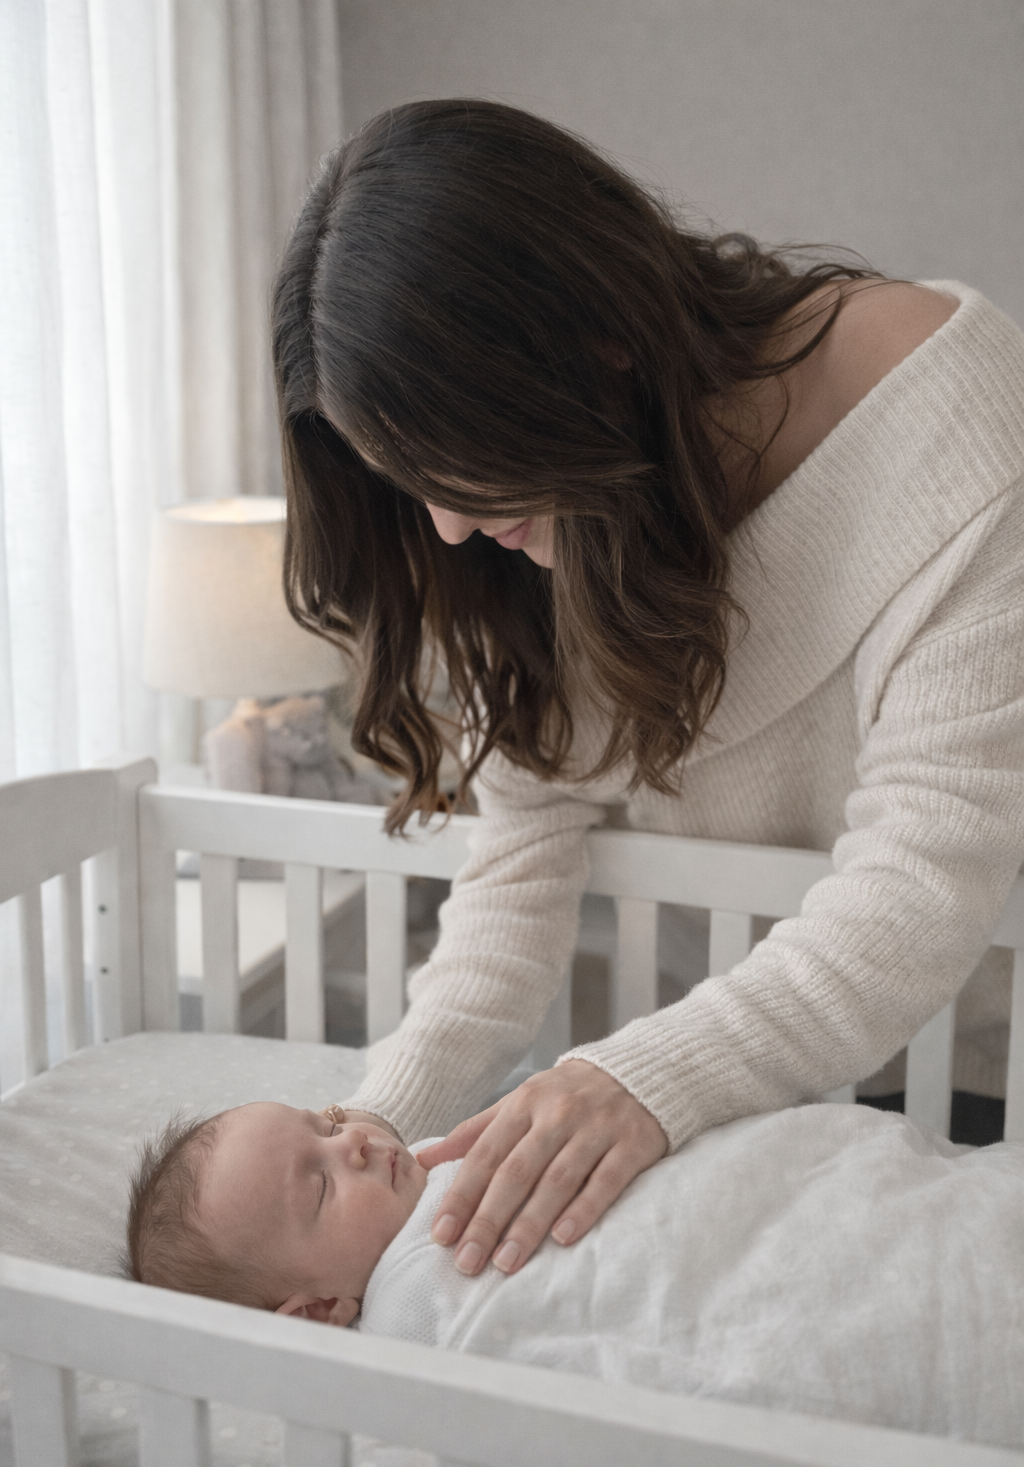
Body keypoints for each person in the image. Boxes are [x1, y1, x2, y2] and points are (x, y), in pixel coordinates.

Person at [271, 98, 1024, 1282]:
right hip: (762, 1080)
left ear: (591, 347)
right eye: (405, 482)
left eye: (455, 463)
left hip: (973, 1058)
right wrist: (371, 1127)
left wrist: (642, 1075)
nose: (452, 527)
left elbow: (927, 870)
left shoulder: (950, 428)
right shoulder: (524, 543)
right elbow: (521, 863)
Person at [125, 1100, 1024, 1446]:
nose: (354, 1140)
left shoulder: (445, 1163)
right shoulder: (408, 1312)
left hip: (831, 1198)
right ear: (318, 1310)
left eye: (324, 1120)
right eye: (320, 1183)